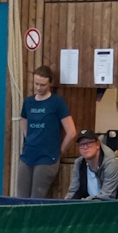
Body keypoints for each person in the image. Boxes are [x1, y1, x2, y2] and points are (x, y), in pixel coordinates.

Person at [15, 66, 75, 200]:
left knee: (36, 197)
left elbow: (71, 132)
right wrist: (30, 139)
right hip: (28, 154)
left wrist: (59, 151)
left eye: (43, 85)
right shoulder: (28, 102)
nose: (39, 87)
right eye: (36, 84)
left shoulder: (57, 103)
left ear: (50, 84)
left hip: (47, 157)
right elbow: (24, 122)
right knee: (20, 197)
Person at [66, 130, 118, 200]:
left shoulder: (111, 164)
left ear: (97, 145)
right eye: (81, 145)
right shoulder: (79, 163)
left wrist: (84, 202)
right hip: (89, 204)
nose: (85, 147)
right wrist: (65, 204)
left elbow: (107, 196)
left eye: (89, 143)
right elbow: (73, 191)